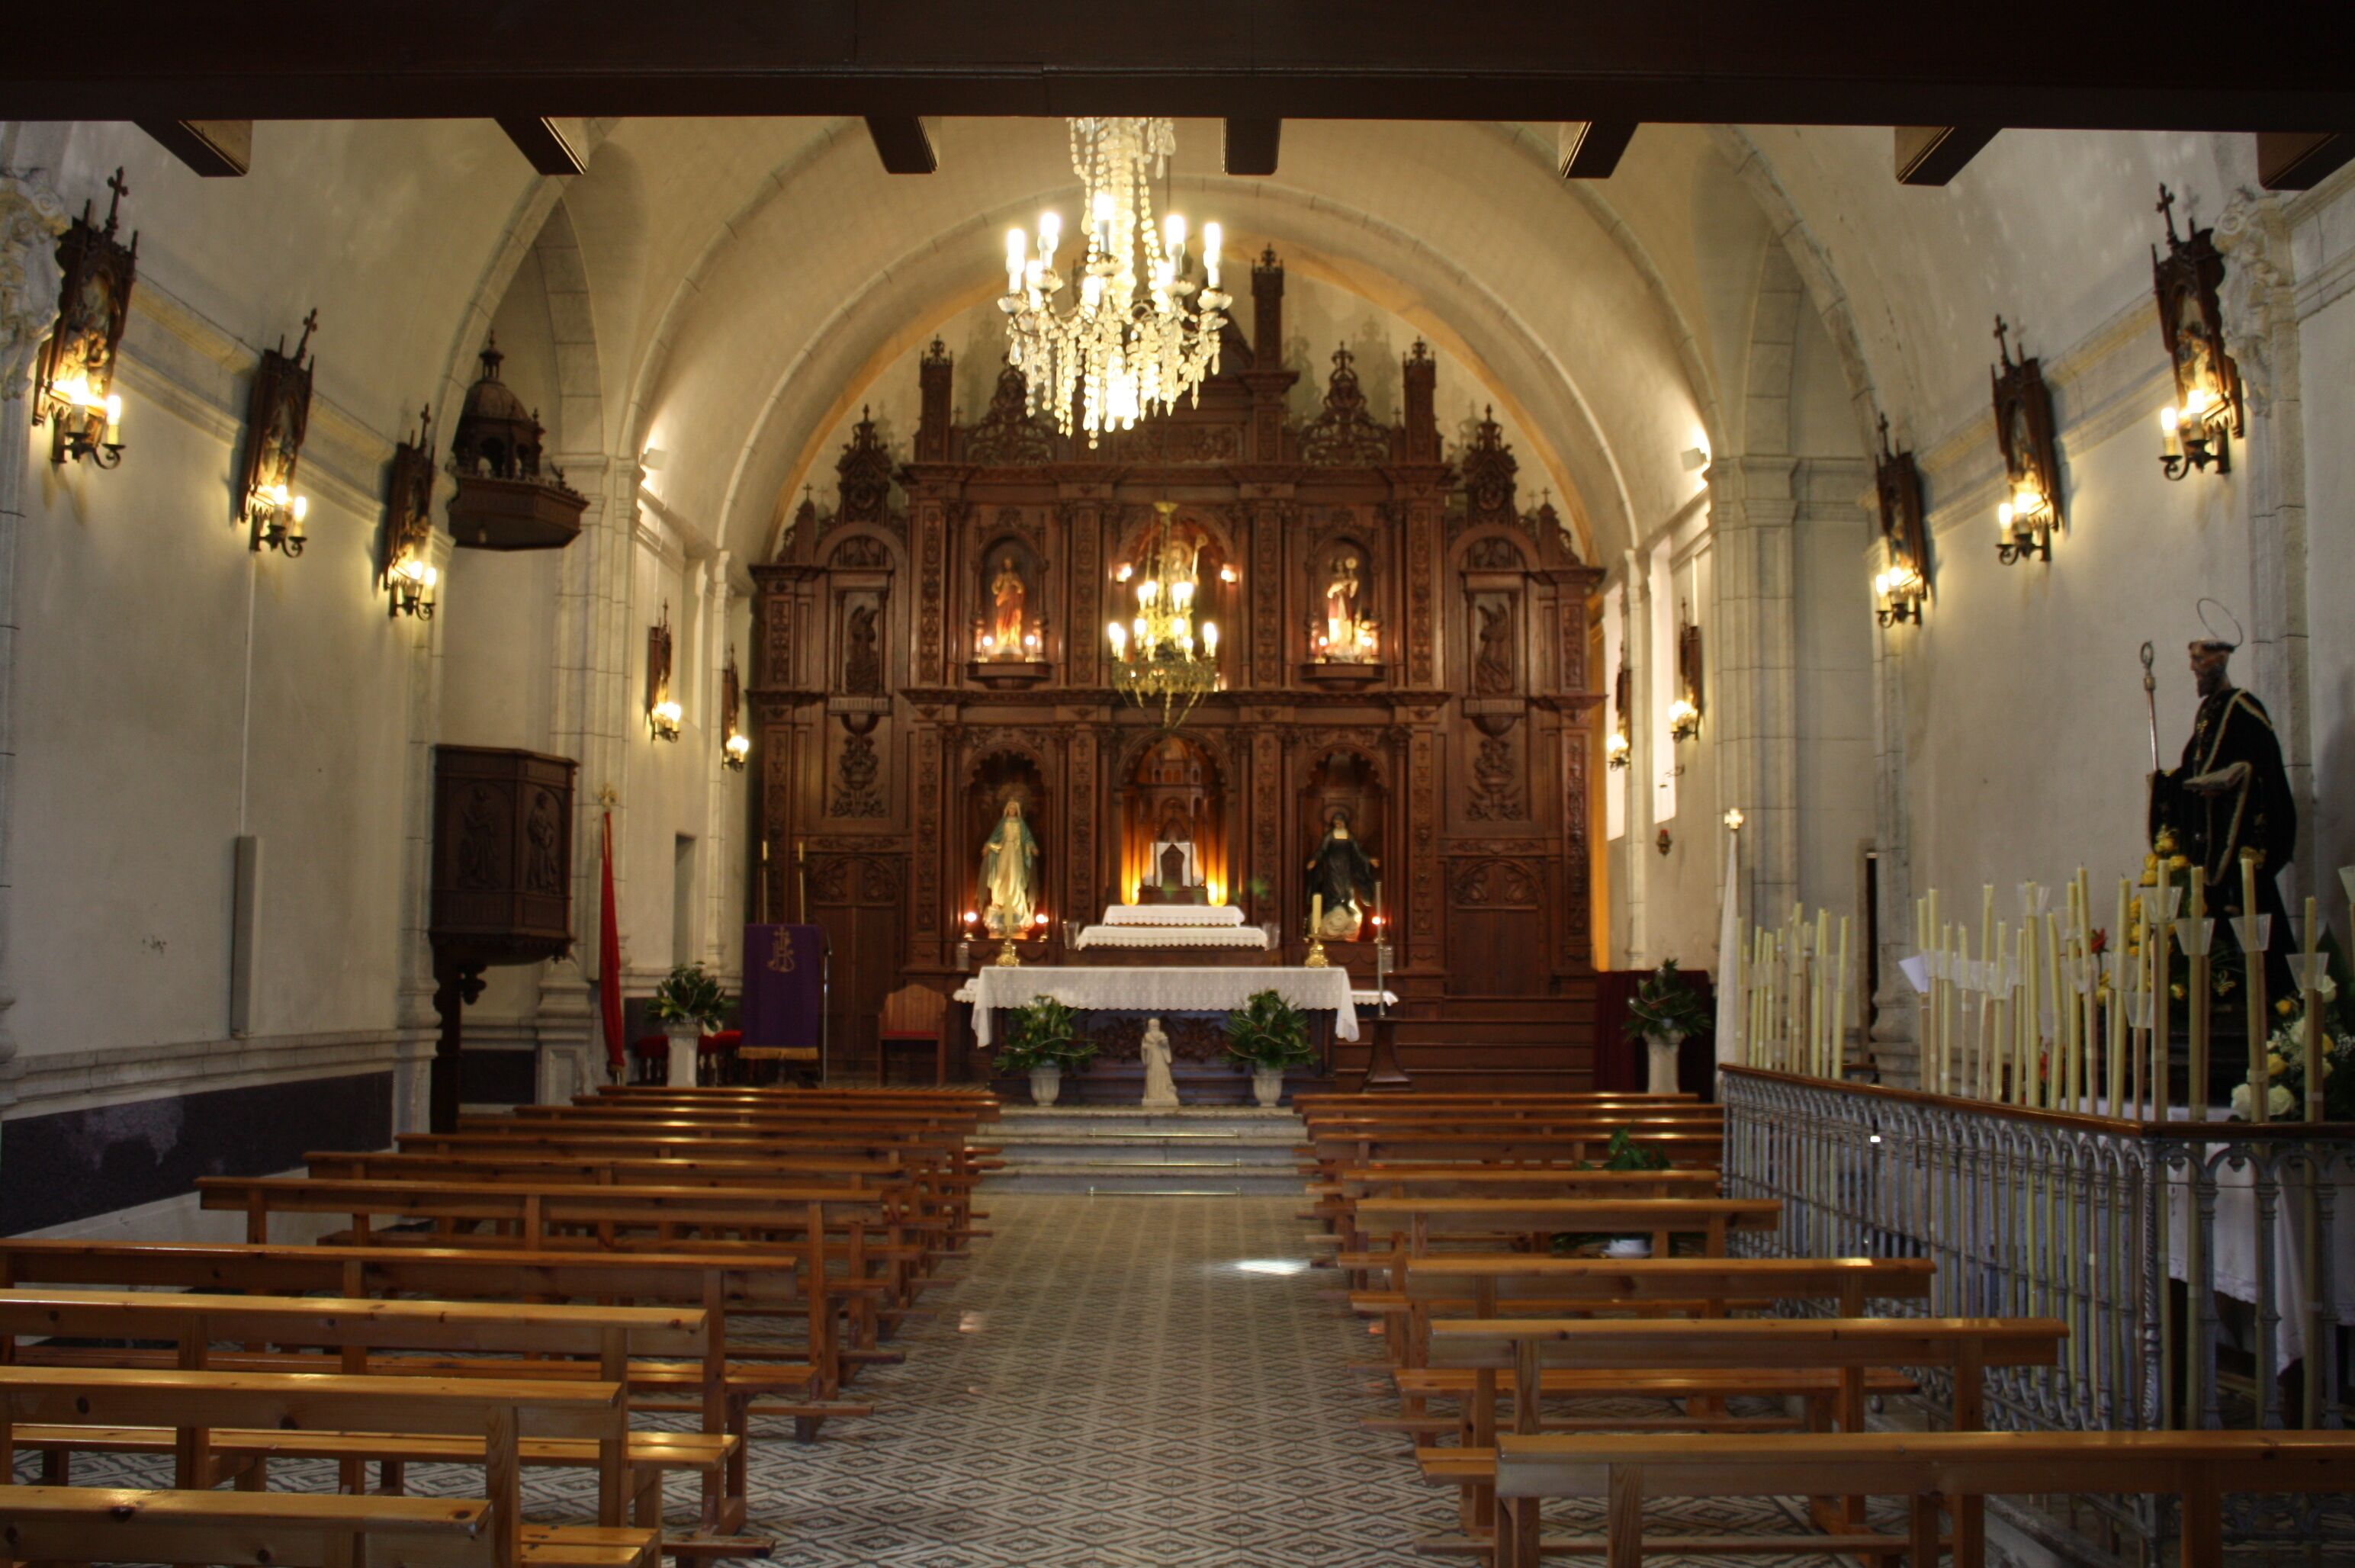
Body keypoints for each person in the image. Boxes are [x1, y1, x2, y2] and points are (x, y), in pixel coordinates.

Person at [2148, 636, 2297, 1034]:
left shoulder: (2245, 709)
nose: (2194, 668)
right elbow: (2191, 774)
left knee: (2260, 956)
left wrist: (2237, 778)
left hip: (2235, 863)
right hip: (2204, 860)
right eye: (2192, 659)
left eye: (2199, 660)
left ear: (2220, 659)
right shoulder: (2206, 715)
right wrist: (2167, 785)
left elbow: (2264, 772)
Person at [1306, 811, 1378, 937]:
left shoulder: (1349, 836)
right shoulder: (1330, 836)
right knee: (1333, 888)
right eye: (1335, 822)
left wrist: (1369, 859)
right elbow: (1322, 850)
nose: (1337, 824)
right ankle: (1332, 909)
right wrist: (1314, 860)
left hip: (1346, 868)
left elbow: (1358, 852)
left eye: (1339, 822)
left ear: (1344, 822)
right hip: (1332, 867)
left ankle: (1345, 907)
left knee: (1346, 889)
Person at [978, 798, 1040, 937]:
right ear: (1007, 810)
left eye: (1014, 808)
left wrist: (1032, 847)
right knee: (1001, 877)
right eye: (1010, 808)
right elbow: (995, 837)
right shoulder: (1003, 822)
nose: (1012, 810)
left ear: (1017, 810)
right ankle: (1000, 902)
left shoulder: (1021, 823)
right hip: (1005, 851)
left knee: (1016, 878)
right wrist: (987, 846)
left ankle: (1016, 905)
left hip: (1017, 853)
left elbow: (1027, 838)